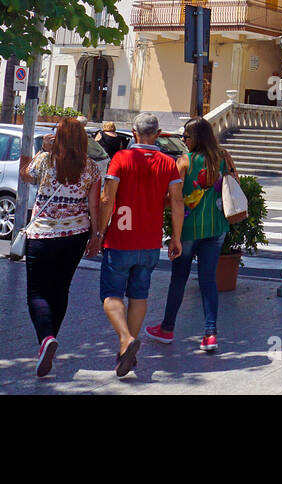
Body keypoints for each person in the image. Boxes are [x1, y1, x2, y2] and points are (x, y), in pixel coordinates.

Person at [98, 112, 183, 377]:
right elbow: (177, 202)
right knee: (139, 296)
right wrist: (176, 237)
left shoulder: (121, 159)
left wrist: (100, 231)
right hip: (149, 241)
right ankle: (126, 352)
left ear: (134, 133)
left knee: (111, 295)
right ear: (157, 134)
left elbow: (106, 199)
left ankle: (125, 339)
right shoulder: (168, 163)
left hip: (120, 239)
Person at [145, 118, 238, 353]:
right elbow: (235, 184)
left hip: (187, 230)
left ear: (196, 137)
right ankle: (210, 334)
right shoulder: (224, 158)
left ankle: (167, 329)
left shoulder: (185, 162)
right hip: (216, 228)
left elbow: (173, 198)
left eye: (186, 137)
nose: (184, 141)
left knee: (179, 279)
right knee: (208, 280)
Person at [19, 119, 102, 378]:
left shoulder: (46, 161)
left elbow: (25, 175)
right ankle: (51, 337)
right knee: (60, 289)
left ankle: (46, 339)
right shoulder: (92, 167)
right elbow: (94, 206)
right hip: (75, 236)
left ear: (60, 137)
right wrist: (96, 235)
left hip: (42, 234)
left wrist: (40, 149)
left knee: (37, 292)